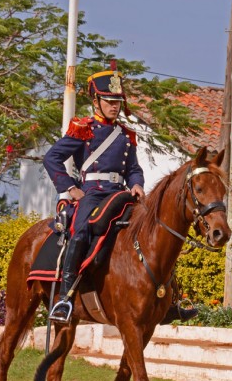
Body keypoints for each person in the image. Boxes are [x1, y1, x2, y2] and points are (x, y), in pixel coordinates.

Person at [43, 65, 197, 325]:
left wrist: (137, 184)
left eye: (117, 102)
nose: (114, 106)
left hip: (121, 194)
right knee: (80, 232)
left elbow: (133, 169)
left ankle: (170, 299)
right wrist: (70, 188)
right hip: (91, 194)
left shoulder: (126, 135)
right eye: (109, 101)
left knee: (157, 232)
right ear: (96, 101)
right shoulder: (84, 129)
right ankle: (65, 297)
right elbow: (52, 158)